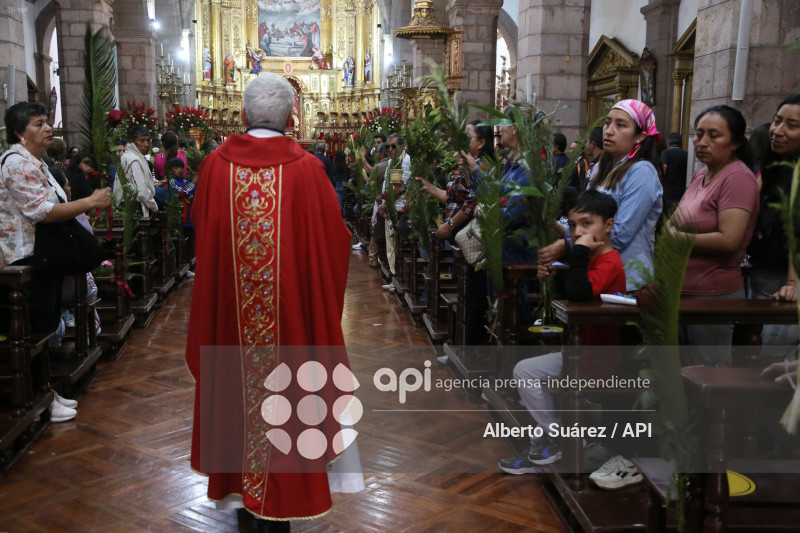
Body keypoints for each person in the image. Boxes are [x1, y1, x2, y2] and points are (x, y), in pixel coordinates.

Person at [186, 72, 358, 533]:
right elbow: (336, 245)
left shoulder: (214, 167)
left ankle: (243, 500)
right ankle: (281, 503)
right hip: (290, 325)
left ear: (242, 115)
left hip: (230, 326)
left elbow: (201, 238)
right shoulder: (308, 170)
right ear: (293, 117)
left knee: (235, 399)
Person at [498, 191, 628, 478]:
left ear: (608, 226)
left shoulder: (609, 261)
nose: (578, 232)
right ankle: (550, 439)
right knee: (525, 371)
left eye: (586, 224)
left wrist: (576, 250)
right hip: (580, 352)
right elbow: (572, 297)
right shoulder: (595, 259)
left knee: (526, 372)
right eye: (572, 226)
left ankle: (558, 438)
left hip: (598, 359)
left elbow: (579, 293)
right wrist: (555, 276)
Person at [1, 102, 110, 422]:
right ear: (20, 133)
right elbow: (41, 211)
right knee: (35, 329)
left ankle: (44, 393)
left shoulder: (35, 161)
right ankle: (37, 399)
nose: (48, 128)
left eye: (47, 122)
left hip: (38, 253)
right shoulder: (17, 164)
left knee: (44, 326)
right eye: (38, 124)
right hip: (24, 256)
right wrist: (88, 201)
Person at [539, 99, 663, 293]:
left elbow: (619, 233)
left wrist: (567, 243)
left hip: (627, 278)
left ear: (640, 136)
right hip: (596, 274)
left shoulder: (642, 171)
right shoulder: (600, 167)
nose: (609, 130)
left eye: (620, 125)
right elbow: (586, 216)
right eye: (607, 123)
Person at [669, 105, 758, 366]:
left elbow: (729, 239)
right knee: (683, 376)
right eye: (699, 134)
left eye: (714, 135)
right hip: (685, 290)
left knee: (709, 376)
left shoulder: (737, 178)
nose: (702, 142)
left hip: (712, 296)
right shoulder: (701, 174)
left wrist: (680, 239)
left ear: (735, 143)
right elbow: (674, 221)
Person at [747, 94, 800, 361]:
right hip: (762, 269)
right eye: (777, 121)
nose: (778, 130)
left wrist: (793, 282)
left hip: (786, 279)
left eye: (792, 125)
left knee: (773, 352)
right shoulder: (772, 167)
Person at [379, 133, 411, 281]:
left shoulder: (401, 162)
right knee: (393, 246)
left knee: (394, 247)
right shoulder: (396, 160)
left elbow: (398, 189)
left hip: (396, 209)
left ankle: (396, 278)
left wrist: (385, 206)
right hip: (394, 207)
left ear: (403, 146)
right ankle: (395, 276)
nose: (390, 149)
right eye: (388, 146)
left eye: (394, 146)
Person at [115, 125, 158, 216]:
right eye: (142, 140)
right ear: (132, 141)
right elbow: (142, 192)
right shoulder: (134, 160)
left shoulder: (128, 156)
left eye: (148, 140)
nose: (146, 144)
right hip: (134, 210)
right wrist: (155, 207)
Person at [660, 132, 688, 209]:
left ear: (668, 143)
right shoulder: (686, 154)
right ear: (681, 144)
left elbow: (663, 169)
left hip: (668, 192)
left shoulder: (666, 153)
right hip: (681, 192)